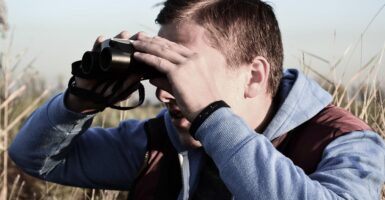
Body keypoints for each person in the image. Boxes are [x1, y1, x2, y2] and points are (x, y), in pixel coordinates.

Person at [9, 0, 385, 199]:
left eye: (184, 70)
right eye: (161, 71)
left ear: (254, 75)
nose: (164, 92)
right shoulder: (159, 143)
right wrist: (78, 103)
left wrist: (211, 114)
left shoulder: (344, 143)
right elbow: (34, 158)